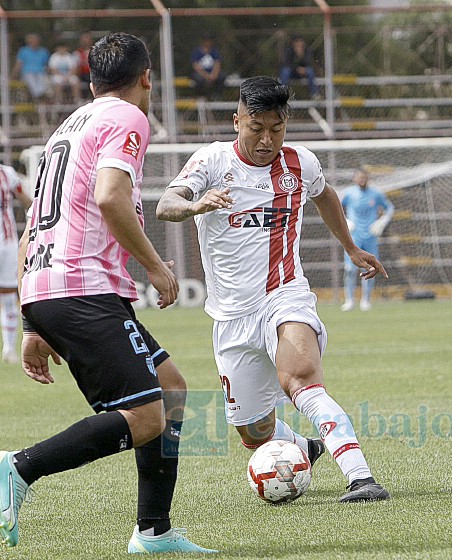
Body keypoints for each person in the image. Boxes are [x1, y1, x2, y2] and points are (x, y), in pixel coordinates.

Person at [0, 33, 216, 554]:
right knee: (146, 416)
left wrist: (32, 321)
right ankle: (15, 468)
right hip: (82, 287)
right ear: (147, 78)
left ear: (91, 78)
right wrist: (159, 267)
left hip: (52, 287)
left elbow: (35, 223)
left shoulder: (67, 127)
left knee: (172, 391)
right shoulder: (127, 118)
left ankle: (154, 532)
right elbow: (110, 196)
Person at [156, 76, 390, 503]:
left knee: (300, 379)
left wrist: (352, 248)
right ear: (237, 121)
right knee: (253, 430)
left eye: (276, 129)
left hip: (285, 294)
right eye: (256, 127)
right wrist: (195, 204)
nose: (266, 140)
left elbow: (325, 196)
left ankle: (361, 478)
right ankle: (308, 449)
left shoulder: (301, 164)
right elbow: (165, 204)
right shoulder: (212, 162)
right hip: (230, 315)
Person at [341, 169, 394, 312]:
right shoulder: (349, 194)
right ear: (354, 179)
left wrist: (381, 222)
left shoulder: (376, 194)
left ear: (367, 178)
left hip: (370, 236)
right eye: (359, 177)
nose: (362, 180)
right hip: (353, 237)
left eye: (364, 177)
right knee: (350, 269)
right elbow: (335, 208)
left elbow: (390, 208)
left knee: (371, 268)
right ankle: (349, 300)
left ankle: (366, 299)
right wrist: (346, 221)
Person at [0, 165, 32, 364]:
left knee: (9, 297)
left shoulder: (8, 174)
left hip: (7, 244)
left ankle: (9, 349)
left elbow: (27, 201)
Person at [12, 33, 50, 102]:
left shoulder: (43, 51)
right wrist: (13, 75)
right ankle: (40, 96)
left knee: (44, 80)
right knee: (31, 80)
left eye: (35, 40)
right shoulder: (23, 51)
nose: (33, 42)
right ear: (28, 41)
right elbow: (18, 64)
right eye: (31, 40)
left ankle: (39, 97)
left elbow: (46, 65)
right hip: (27, 72)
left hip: (41, 73)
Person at [190, 32, 225, 100]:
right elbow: (195, 65)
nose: (208, 42)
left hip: (212, 73)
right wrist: (206, 75)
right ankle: (201, 96)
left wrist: (214, 74)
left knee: (222, 77)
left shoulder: (214, 51)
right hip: (201, 73)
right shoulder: (197, 52)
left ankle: (217, 95)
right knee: (198, 79)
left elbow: (217, 63)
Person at [73, 32, 93, 99]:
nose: (85, 41)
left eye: (87, 38)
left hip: (93, 73)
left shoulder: (96, 51)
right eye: (83, 39)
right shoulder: (77, 53)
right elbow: (76, 66)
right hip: (82, 74)